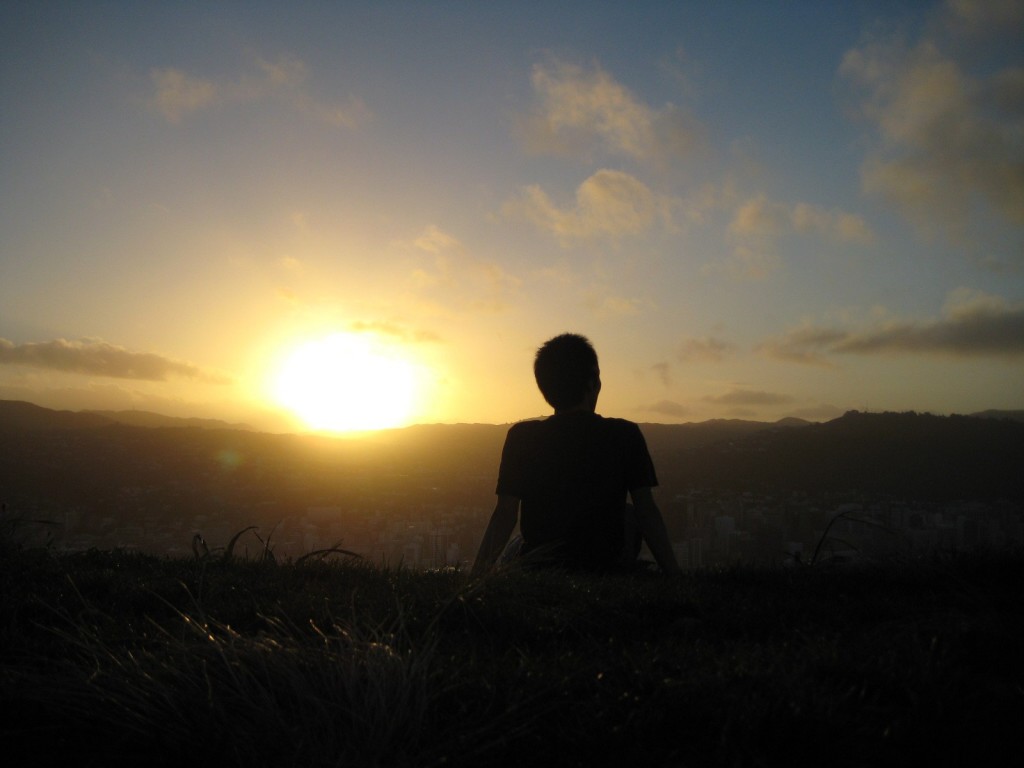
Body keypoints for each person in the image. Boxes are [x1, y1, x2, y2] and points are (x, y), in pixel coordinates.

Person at [472, 333, 680, 576]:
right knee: (630, 514)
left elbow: (506, 514)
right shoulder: (625, 435)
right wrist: (675, 575)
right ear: (592, 382)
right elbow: (647, 512)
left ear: (545, 387)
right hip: (604, 566)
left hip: (540, 567)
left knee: (516, 544)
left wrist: (475, 577)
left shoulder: (522, 437)